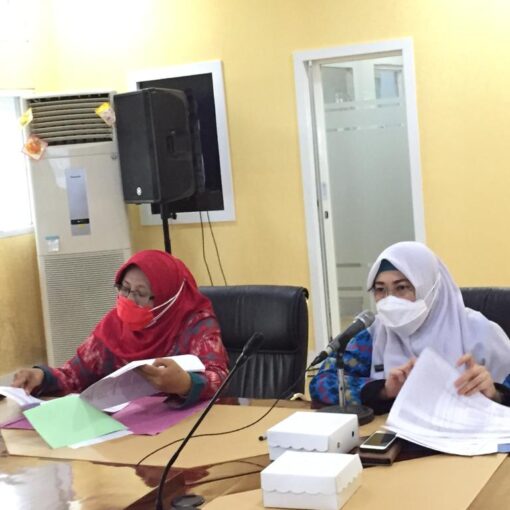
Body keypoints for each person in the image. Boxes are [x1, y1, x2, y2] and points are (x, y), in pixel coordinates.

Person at [310, 241, 510, 413]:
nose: (390, 299)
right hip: (402, 437)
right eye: (380, 289)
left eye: (402, 287)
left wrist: (496, 394)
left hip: (473, 438)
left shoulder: (477, 330)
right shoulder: (376, 333)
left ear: (430, 287)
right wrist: (384, 390)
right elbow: (322, 383)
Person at [12, 249, 229, 408]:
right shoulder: (113, 325)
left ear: (167, 298)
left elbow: (220, 378)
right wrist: (41, 376)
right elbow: (74, 374)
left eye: (141, 294)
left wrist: (185, 384)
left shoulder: (196, 325)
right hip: (125, 427)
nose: (129, 300)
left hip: (183, 427)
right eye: (125, 289)